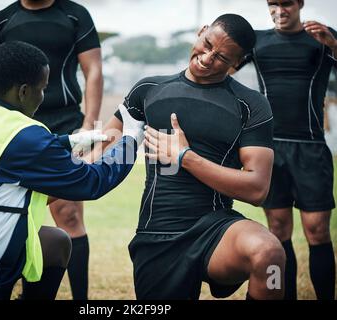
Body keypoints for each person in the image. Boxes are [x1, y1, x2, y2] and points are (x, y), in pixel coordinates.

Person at [0, 41, 143, 300]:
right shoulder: (27, 135)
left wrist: (70, 141)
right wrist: (130, 141)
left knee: (55, 243)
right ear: (24, 92)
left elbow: (4, 149)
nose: (43, 96)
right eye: (42, 89)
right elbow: (92, 182)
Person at [95, 14, 285, 300]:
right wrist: (59, 172)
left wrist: (186, 157)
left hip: (216, 227)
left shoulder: (252, 106)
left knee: (269, 253)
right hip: (158, 232)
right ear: (201, 31)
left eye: (221, 57)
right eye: (207, 44)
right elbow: (103, 146)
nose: (207, 58)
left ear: (237, 63)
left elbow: (258, 189)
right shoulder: (148, 90)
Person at [0, 0, 102, 300]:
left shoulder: (75, 15)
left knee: (69, 214)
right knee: (5, 210)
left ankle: (81, 301)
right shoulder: (3, 19)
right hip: (14, 123)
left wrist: (88, 125)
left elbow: (94, 70)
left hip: (64, 120)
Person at [235, 0, 336, 300]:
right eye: (273, 3)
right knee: (278, 230)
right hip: (268, 148)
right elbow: (224, 63)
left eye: (287, 3)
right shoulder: (257, 41)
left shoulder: (322, 37)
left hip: (310, 148)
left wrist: (333, 45)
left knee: (317, 230)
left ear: (301, 3)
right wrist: (205, 39)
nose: (280, 10)